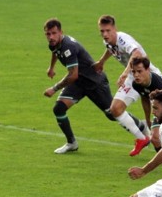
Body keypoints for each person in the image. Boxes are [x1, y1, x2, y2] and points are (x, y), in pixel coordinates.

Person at [43, 18, 115, 154]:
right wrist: (51, 67)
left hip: (94, 82)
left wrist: (54, 88)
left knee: (113, 114)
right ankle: (72, 143)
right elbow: (55, 51)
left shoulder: (68, 46)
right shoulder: (55, 43)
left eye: (54, 33)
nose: (51, 37)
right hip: (79, 83)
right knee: (59, 108)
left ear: (61, 32)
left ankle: (141, 127)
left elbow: (73, 75)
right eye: (48, 34)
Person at [93, 15, 161, 156]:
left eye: (108, 30)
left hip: (150, 77)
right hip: (134, 77)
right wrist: (101, 62)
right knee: (115, 109)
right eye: (102, 31)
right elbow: (110, 49)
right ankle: (142, 138)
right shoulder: (108, 41)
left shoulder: (122, 38)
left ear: (115, 29)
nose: (105, 34)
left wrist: (124, 74)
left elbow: (136, 53)